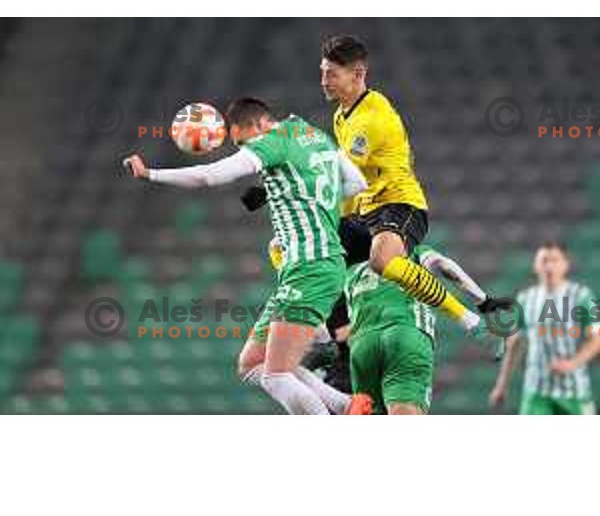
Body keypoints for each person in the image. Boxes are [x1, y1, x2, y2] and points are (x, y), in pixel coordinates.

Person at [124, 97, 372, 415]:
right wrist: (288, 193)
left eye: (242, 142)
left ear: (255, 126)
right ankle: (347, 404)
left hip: (311, 268)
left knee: (276, 376)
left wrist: (151, 175)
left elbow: (209, 176)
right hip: (311, 267)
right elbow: (357, 182)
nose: (245, 150)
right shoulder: (311, 133)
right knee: (252, 363)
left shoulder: (272, 141)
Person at [320, 35, 482, 332]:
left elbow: (344, 176)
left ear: (357, 75)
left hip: (400, 206)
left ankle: (469, 320)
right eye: (323, 72)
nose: (324, 80)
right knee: (318, 252)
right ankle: (335, 337)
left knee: (381, 261)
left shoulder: (369, 119)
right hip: (367, 212)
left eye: (331, 73)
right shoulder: (342, 114)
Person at [345, 244, 506, 415]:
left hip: (361, 346)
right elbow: (442, 264)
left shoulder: (352, 272)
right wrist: (484, 300)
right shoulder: (413, 252)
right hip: (405, 333)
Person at [489, 241, 600, 415]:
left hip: (575, 391)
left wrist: (573, 363)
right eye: (544, 260)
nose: (549, 266)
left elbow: (597, 338)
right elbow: (515, 343)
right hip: (536, 392)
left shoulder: (583, 296)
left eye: (554, 260)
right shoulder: (525, 299)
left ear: (565, 265)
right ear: (535, 265)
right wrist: (501, 385)